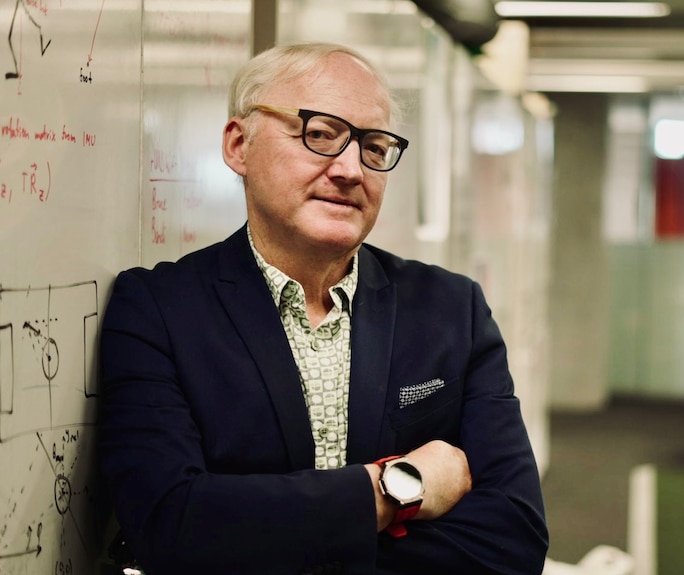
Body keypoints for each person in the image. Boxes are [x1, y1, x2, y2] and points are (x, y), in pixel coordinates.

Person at [99, 42, 548, 575]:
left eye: (375, 147)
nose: (351, 169)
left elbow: (513, 539)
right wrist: (396, 488)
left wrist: (270, 538)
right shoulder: (158, 310)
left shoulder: (453, 310)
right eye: (320, 134)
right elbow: (169, 525)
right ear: (240, 145)